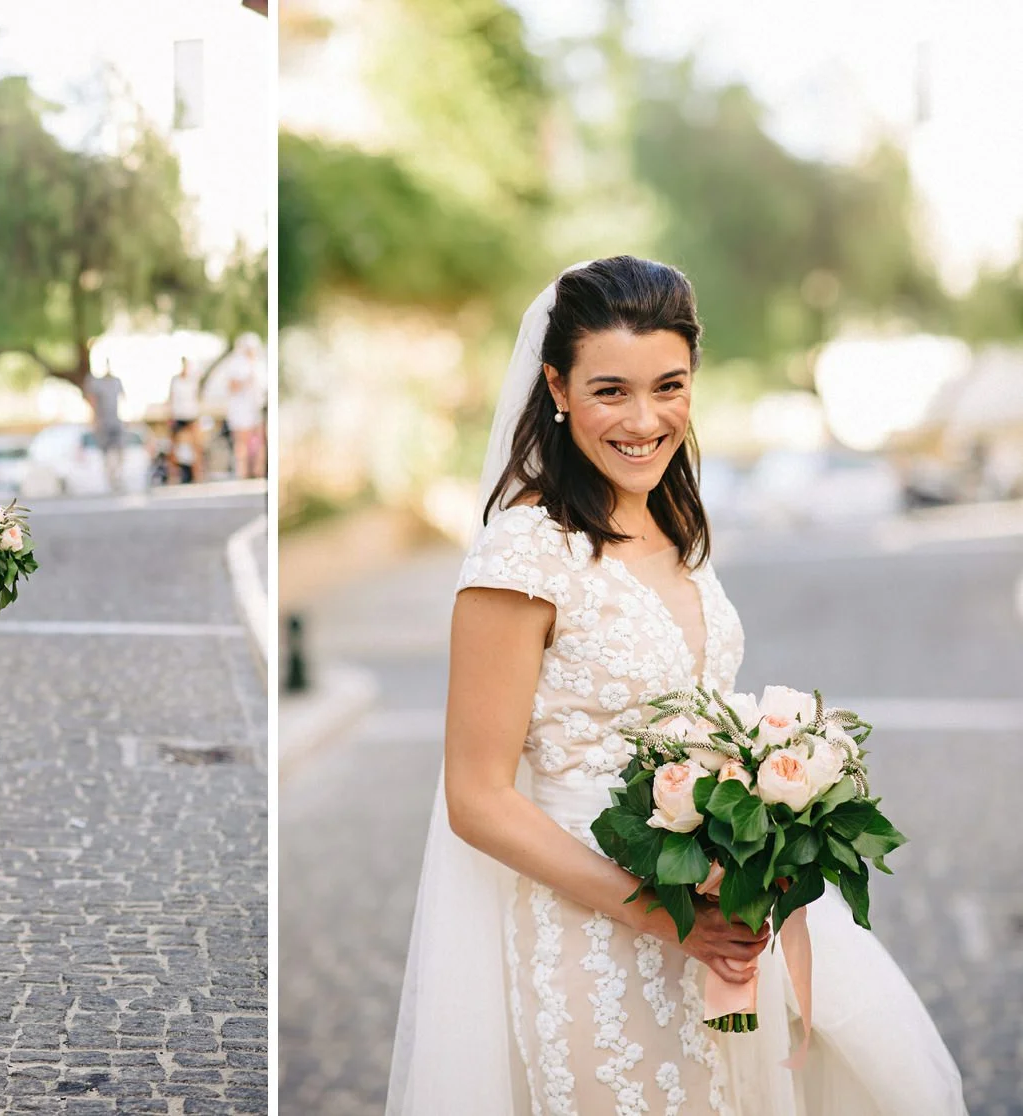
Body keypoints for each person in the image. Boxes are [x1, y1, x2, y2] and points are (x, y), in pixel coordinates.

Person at [386, 257, 965, 1115]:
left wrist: (765, 805)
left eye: (669, 386)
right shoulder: (523, 553)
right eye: (610, 391)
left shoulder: (673, 522)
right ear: (557, 387)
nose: (644, 420)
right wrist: (665, 921)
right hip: (592, 938)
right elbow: (477, 798)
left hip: (718, 926)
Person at [224, 336, 262, 480]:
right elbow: (232, 387)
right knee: (241, 442)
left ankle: (257, 471)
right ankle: (242, 473)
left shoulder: (259, 364)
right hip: (241, 410)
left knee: (259, 441)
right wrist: (246, 381)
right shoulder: (236, 364)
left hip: (256, 408)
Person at [85, 361, 126, 491]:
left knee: (120, 449)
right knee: (105, 451)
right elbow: (92, 401)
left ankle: (117, 475)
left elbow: (123, 400)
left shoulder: (117, 382)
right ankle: (109, 478)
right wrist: (94, 420)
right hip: (103, 422)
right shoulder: (96, 383)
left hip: (116, 421)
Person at [167, 357, 202, 484]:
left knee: (196, 446)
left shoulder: (193, 380)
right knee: (173, 447)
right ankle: (173, 476)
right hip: (178, 415)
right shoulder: (175, 380)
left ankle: (197, 476)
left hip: (191, 415)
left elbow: (196, 397)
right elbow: (171, 397)